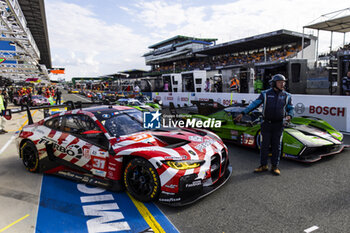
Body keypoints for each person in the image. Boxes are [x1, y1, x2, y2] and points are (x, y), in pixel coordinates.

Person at [234, 74, 294, 175]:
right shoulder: (265, 94)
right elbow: (254, 104)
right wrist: (243, 113)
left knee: (277, 146)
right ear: (274, 83)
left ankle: (275, 166)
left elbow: (290, 108)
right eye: (280, 82)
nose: (282, 84)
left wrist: (290, 116)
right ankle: (263, 165)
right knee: (264, 146)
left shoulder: (287, 96)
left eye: (283, 82)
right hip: (266, 124)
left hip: (279, 125)